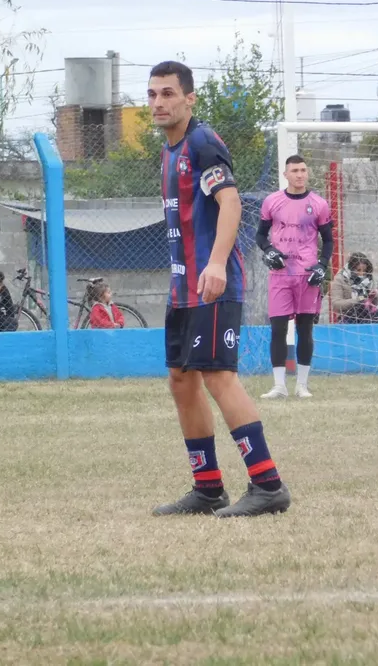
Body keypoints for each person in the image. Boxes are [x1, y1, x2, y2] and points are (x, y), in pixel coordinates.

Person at [148, 60, 290, 517]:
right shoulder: (169, 153)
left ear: (189, 99)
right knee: (181, 381)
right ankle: (207, 487)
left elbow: (230, 204)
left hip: (212, 283)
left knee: (217, 377)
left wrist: (215, 265)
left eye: (168, 94)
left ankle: (267, 484)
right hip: (181, 288)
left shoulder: (203, 143)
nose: (158, 103)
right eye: (152, 94)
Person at [256, 154, 333, 400]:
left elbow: (329, 240)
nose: (300, 175)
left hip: (307, 276)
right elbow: (260, 236)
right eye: (295, 171)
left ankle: (302, 385)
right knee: (278, 329)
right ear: (285, 174)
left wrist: (321, 265)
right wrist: (269, 251)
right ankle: (279, 386)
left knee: (305, 330)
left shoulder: (319, 204)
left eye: (303, 170)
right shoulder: (272, 201)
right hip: (280, 275)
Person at [331, 253, 378, 323]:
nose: (362, 274)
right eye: (358, 270)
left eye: (364, 270)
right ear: (351, 269)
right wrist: (358, 300)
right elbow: (336, 305)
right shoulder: (340, 279)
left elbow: (374, 304)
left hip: (368, 316)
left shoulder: (369, 279)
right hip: (348, 318)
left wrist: (374, 297)